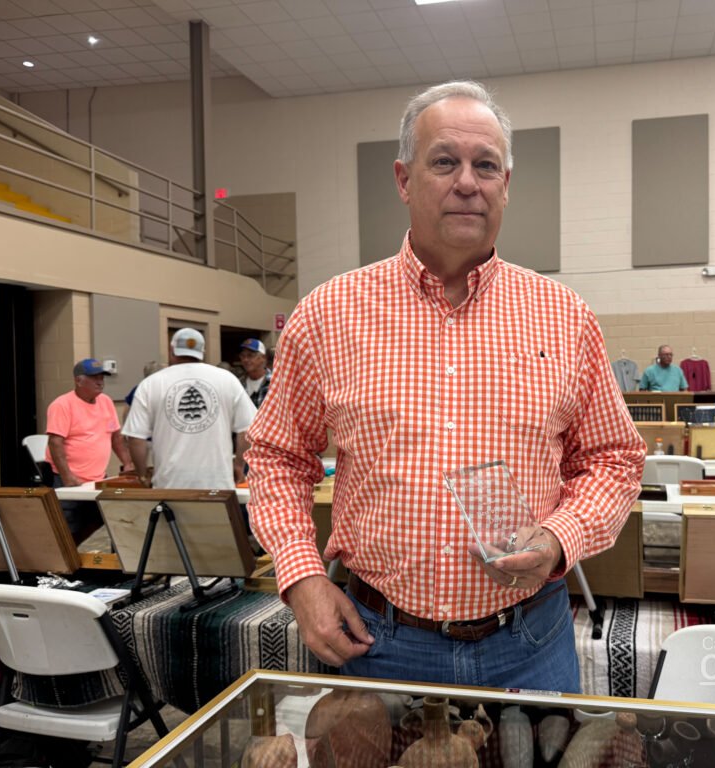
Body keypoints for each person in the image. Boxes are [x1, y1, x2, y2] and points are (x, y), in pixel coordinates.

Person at [245, 80, 644, 693]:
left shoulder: (565, 316)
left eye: (486, 165)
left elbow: (613, 459)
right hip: (379, 642)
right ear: (404, 180)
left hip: (530, 643)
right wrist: (301, 576)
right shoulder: (329, 314)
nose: (467, 182)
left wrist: (561, 538)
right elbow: (277, 457)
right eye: (444, 162)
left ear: (506, 185)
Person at [123, 328, 256, 489]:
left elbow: (136, 439)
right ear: (203, 352)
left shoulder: (150, 384)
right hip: (218, 484)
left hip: (169, 484)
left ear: (171, 350)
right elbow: (248, 429)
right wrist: (239, 465)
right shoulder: (227, 380)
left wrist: (143, 475)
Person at [45, 358, 133, 539]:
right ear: (79, 380)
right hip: (69, 480)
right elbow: (55, 442)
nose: (100, 382)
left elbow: (116, 436)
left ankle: (82, 558)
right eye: (94, 378)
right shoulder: (62, 405)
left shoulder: (106, 401)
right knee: (68, 529)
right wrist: (67, 476)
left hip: (98, 479)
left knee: (101, 521)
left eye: (102, 377)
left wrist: (128, 463)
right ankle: (66, 563)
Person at [238, 338, 272, 408]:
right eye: (243, 356)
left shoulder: (275, 383)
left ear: (263, 358)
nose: (245, 360)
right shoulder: (238, 383)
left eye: (250, 355)